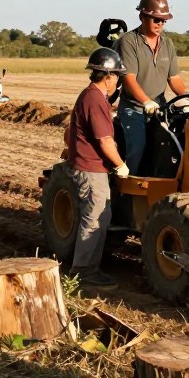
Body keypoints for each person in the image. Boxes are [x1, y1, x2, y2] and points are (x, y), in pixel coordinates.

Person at [67, 47, 130, 290]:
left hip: (89, 166)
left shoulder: (91, 96)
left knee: (98, 217)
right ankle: (83, 271)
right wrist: (121, 165)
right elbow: (104, 141)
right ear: (108, 76)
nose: (117, 81)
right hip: (91, 169)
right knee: (94, 219)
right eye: (117, 76)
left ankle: (88, 267)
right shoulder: (94, 99)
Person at [115, 0, 186, 173]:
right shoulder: (129, 42)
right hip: (134, 108)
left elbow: (174, 78)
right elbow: (128, 78)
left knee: (172, 149)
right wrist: (145, 100)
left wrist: (188, 98)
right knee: (137, 149)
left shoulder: (167, 44)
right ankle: (126, 192)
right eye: (156, 19)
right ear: (142, 16)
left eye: (163, 20)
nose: (160, 24)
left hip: (160, 108)